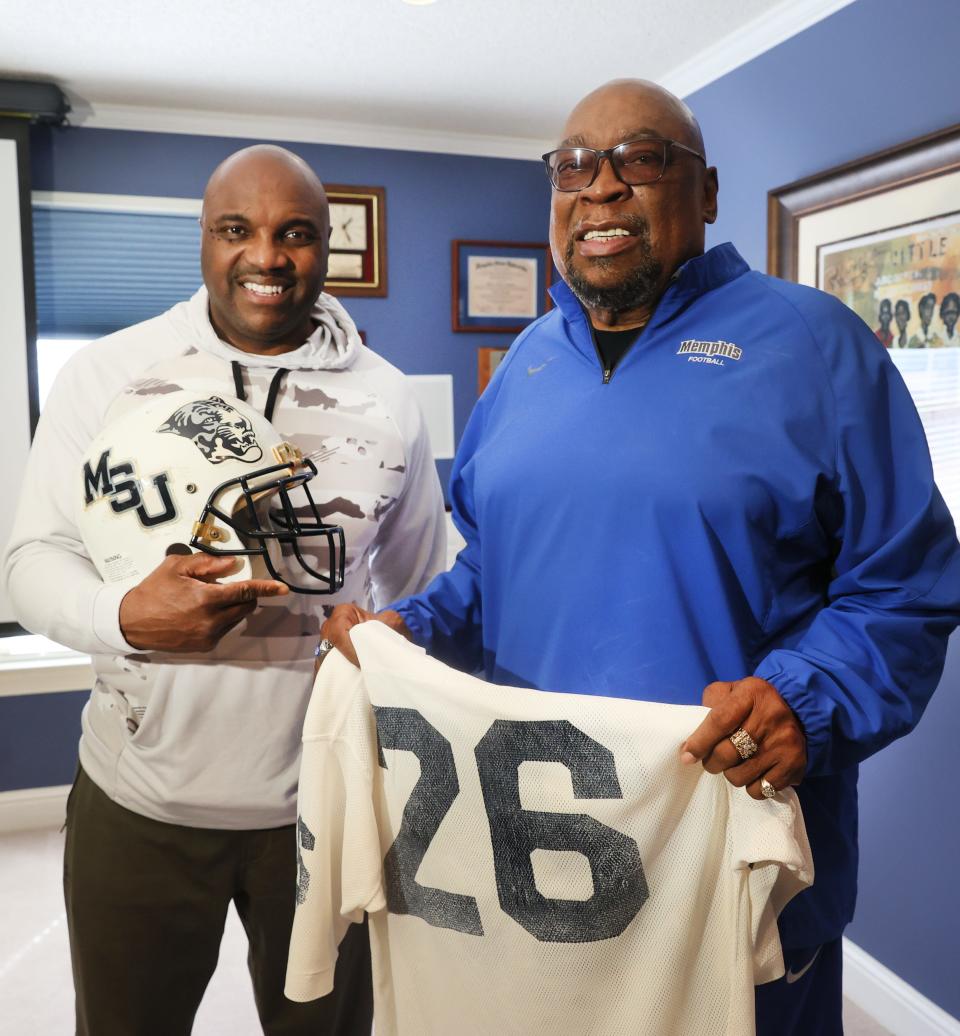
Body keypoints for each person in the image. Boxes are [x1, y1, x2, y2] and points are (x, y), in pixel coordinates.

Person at [320, 80, 960, 1036]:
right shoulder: (525, 366)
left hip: (729, 863)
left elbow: (903, 586)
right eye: (573, 166)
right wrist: (410, 630)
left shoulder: (818, 347)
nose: (602, 187)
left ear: (705, 193)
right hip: (537, 866)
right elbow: (494, 574)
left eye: (642, 158)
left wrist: (806, 697)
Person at [3, 144, 446, 1036]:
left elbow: (423, 584)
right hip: (140, 802)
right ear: (202, 239)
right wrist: (122, 615)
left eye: (297, 234)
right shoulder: (107, 374)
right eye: (237, 230)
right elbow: (31, 558)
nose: (267, 257)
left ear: (329, 248)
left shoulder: (391, 398)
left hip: (323, 801)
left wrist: (392, 638)